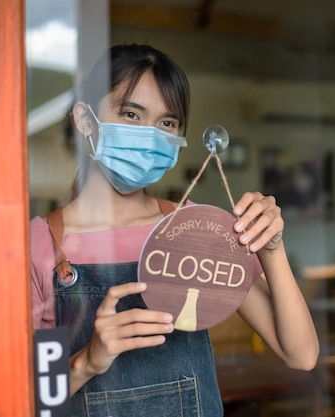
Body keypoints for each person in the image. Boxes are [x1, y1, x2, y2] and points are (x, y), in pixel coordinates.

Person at [30, 44, 319, 416]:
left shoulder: (198, 228)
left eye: (166, 123)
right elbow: (23, 400)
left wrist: (273, 250)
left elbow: (301, 354)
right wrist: (86, 362)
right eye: (131, 114)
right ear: (86, 120)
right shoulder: (41, 244)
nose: (149, 136)